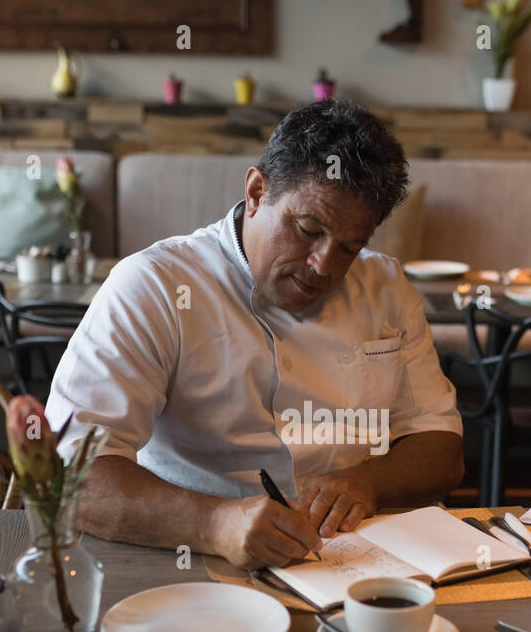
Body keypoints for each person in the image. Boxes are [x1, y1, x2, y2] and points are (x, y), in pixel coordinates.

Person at [44, 99, 464, 569]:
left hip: (362, 557)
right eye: (308, 230)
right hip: (192, 557)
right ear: (257, 191)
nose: (323, 265)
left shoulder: (385, 286)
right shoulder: (156, 285)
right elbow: (68, 474)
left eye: (349, 248)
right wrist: (214, 525)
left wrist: (368, 482)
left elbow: (441, 446)